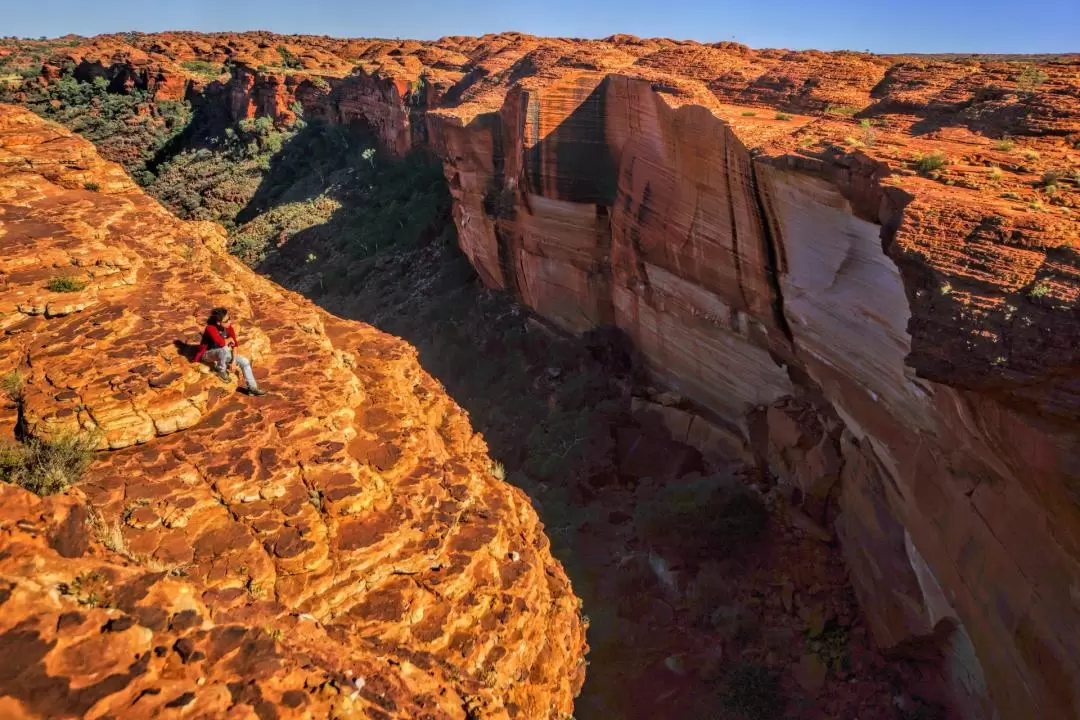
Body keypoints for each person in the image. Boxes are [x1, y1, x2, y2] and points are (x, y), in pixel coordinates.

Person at [193, 307, 266, 396]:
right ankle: (221, 370)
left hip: (223, 353)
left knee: (245, 362)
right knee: (223, 350)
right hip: (208, 354)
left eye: (229, 319)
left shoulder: (229, 327)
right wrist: (229, 340)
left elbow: (235, 345)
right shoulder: (210, 328)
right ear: (218, 322)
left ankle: (252, 388)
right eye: (226, 321)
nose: (229, 322)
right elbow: (220, 342)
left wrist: (234, 361)